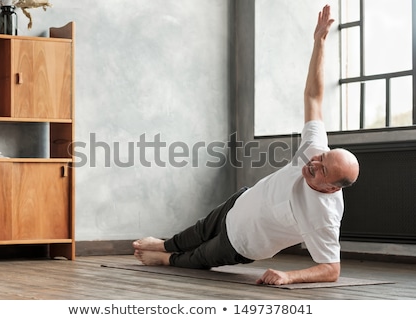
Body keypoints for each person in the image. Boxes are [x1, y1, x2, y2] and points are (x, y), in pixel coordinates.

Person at [133, 5, 359, 285]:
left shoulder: (323, 216)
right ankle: (165, 245)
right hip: (239, 202)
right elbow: (313, 96)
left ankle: (165, 258)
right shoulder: (315, 151)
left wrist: (289, 276)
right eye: (321, 158)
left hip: (242, 242)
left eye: (322, 169)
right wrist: (319, 42)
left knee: (200, 257)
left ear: (332, 188)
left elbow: (331, 269)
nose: (314, 163)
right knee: (198, 230)